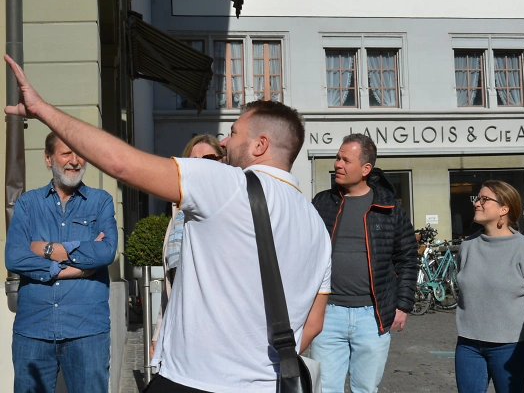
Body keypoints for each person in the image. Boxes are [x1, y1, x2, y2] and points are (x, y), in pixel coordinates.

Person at [3, 55, 332, 392]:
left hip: (194, 381)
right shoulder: (318, 228)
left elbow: (120, 164)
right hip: (267, 385)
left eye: (233, 133)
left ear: (260, 144)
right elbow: (314, 323)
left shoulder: (227, 183)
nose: (224, 142)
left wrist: (43, 110)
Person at [5, 132, 118, 393]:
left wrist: (50, 250)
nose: (75, 161)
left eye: (79, 153)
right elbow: (14, 257)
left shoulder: (100, 202)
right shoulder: (28, 204)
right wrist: (77, 269)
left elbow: (106, 252)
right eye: (66, 153)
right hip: (34, 330)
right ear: (48, 159)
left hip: (86, 330)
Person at [311, 133, 417, 393]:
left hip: (373, 316)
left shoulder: (389, 207)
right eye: (337, 157)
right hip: (327, 314)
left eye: (345, 160)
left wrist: (402, 306)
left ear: (365, 169)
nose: (338, 164)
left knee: (365, 389)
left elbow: (408, 258)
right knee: (325, 389)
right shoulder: (321, 202)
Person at [455, 180, 524, 393]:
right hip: (468, 344)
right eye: (478, 198)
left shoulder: (523, 250)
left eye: (484, 199)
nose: (477, 203)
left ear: (504, 209)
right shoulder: (467, 246)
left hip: (510, 345)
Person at [150, 134, 224, 358]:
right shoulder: (178, 208)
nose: (201, 164)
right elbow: (172, 281)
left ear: (222, 163)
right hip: (181, 324)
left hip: (217, 329)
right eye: (194, 159)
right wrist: (158, 333)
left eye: (209, 158)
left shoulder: (228, 205)